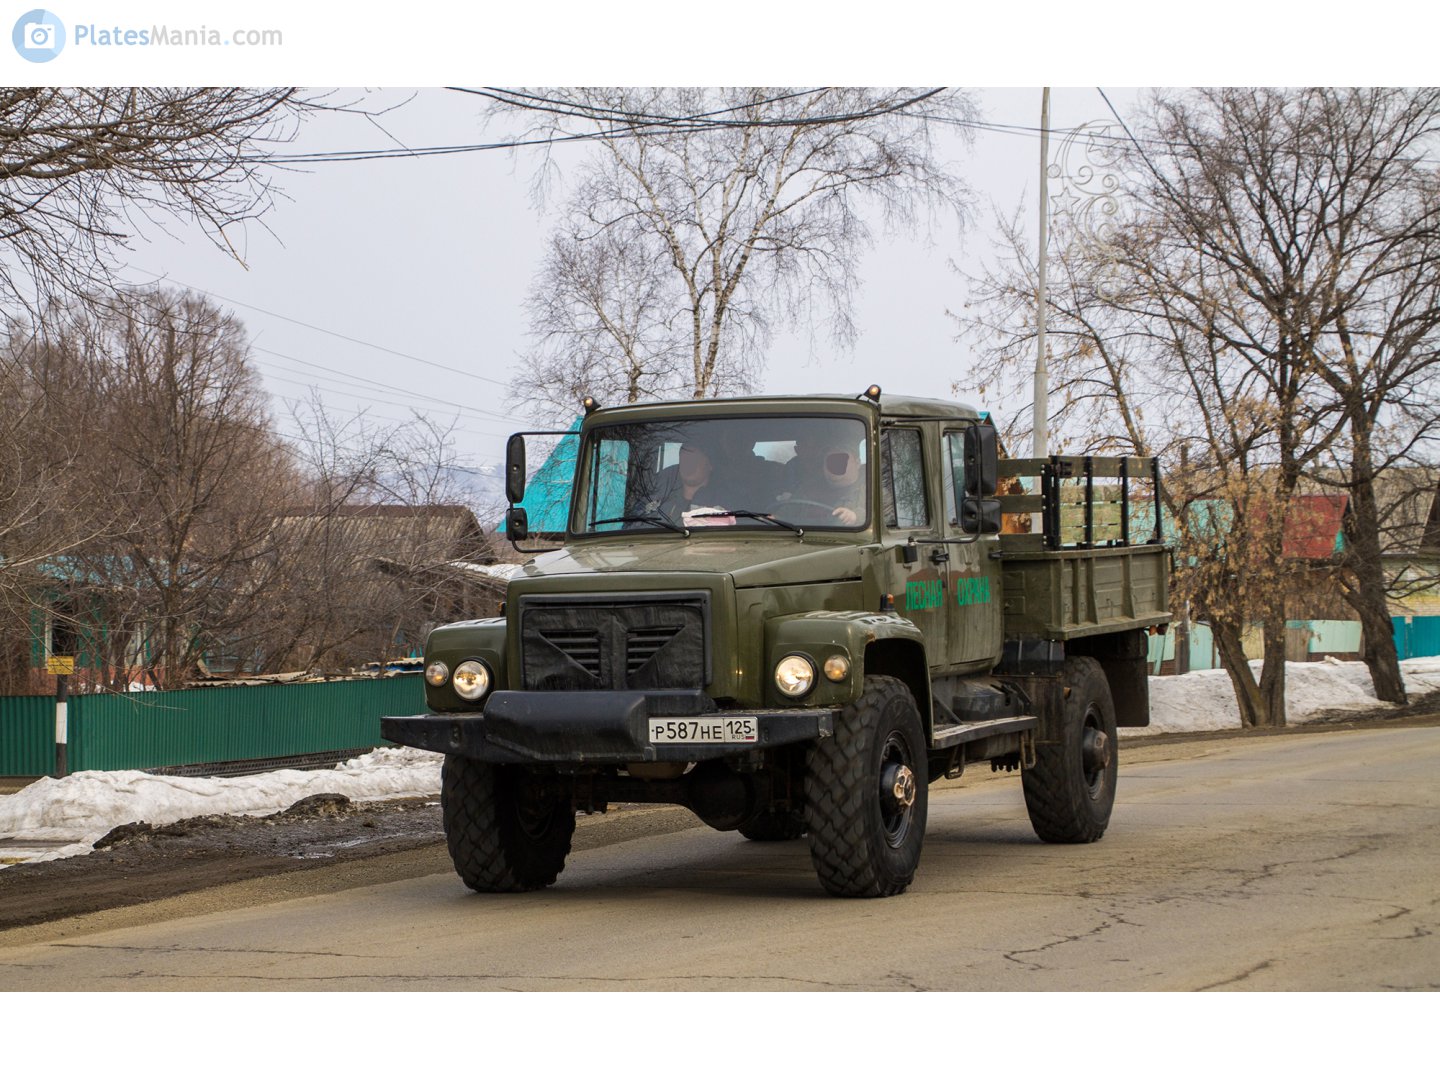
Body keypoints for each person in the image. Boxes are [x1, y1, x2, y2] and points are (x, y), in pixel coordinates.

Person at [777, 432, 866, 526]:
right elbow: (785, 513)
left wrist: (855, 517)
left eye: (840, 460)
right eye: (829, 461)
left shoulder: (869, 487)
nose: (834, 465)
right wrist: (775, 519)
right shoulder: (808, 488)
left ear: (857, 463)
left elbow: (874, 514)